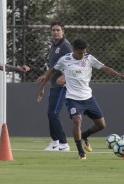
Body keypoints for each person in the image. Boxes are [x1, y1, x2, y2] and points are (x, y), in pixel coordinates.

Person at [37, 38, 124, 159]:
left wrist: (119, 75)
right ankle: (81, 152)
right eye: (80, 53)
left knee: (101, 125)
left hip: (88, 97)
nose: (82, 55)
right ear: (74, 50)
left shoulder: (89, 58)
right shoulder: (65, 60)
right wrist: (42, 87)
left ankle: (84, 135)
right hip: (72, 98)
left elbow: (105, 68)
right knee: (77, 120)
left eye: (84, 52)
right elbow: (52, 71)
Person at [37, 22, 72, 151]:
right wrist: (45, 75)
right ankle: (55, 142)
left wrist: (65, 76)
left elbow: (73, 64)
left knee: (54, 113)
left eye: (58, 30)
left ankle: (63, 144)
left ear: (63, 31)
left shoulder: (65, 46)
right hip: (54, 84)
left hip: (62, 85)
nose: (55, 32)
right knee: (50, 113)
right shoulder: (54, 46)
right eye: (53, 30)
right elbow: (54, 67)